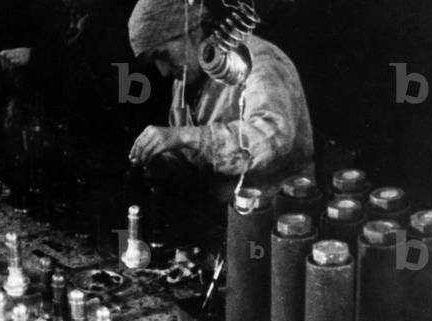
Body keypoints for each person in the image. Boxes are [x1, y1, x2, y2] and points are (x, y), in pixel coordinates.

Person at [126, 0, 314, 203]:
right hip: (223, 213)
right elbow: (194, 155)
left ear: (192, 31)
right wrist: (165, 163)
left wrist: (185, 136)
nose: (163, 71)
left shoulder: (258, 60)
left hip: (279, 211)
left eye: (162, 55)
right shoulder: (185, 79)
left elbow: (271, 140)